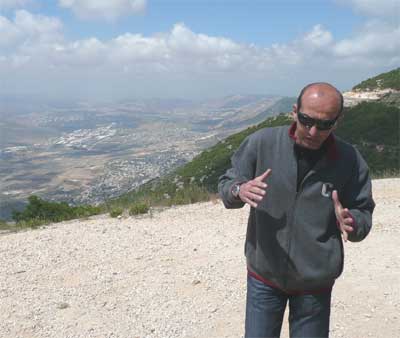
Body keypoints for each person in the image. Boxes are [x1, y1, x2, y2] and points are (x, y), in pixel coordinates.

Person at [218, 82, 375, 338]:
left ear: (337, 121)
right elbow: (227, 183)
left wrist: (353, 222)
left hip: (315, 284)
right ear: (295, 111)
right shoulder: (262, 143)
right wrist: (239, 190)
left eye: (325, 124)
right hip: (263, 277)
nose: (313, 131)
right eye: (306, 120)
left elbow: (363, 211)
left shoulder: (350, 159)